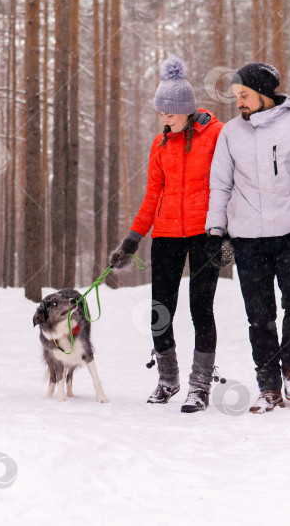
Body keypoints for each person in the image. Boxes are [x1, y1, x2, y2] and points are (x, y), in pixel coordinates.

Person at [204, 62, 290, 414]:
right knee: (259, 314)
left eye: (244, 95)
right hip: (248, 239)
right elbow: (220, 185)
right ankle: (268, 385)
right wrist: (215, 232)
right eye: (236, 97)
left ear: (264, 93)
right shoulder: (231, 134)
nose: (239, 103)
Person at [109, 56, 226, 413]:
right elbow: (152, 196)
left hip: (205, 233)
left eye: (170, 113)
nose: (164, 119)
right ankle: (168, 379)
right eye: (160, 114)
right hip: (166, 236)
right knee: (160, 310)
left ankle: (200, 385)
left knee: (200, 308)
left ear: (187, 110)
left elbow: (229, 185)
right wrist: (133, 239)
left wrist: (229, 234)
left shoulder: (217, 136)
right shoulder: (160, 145)